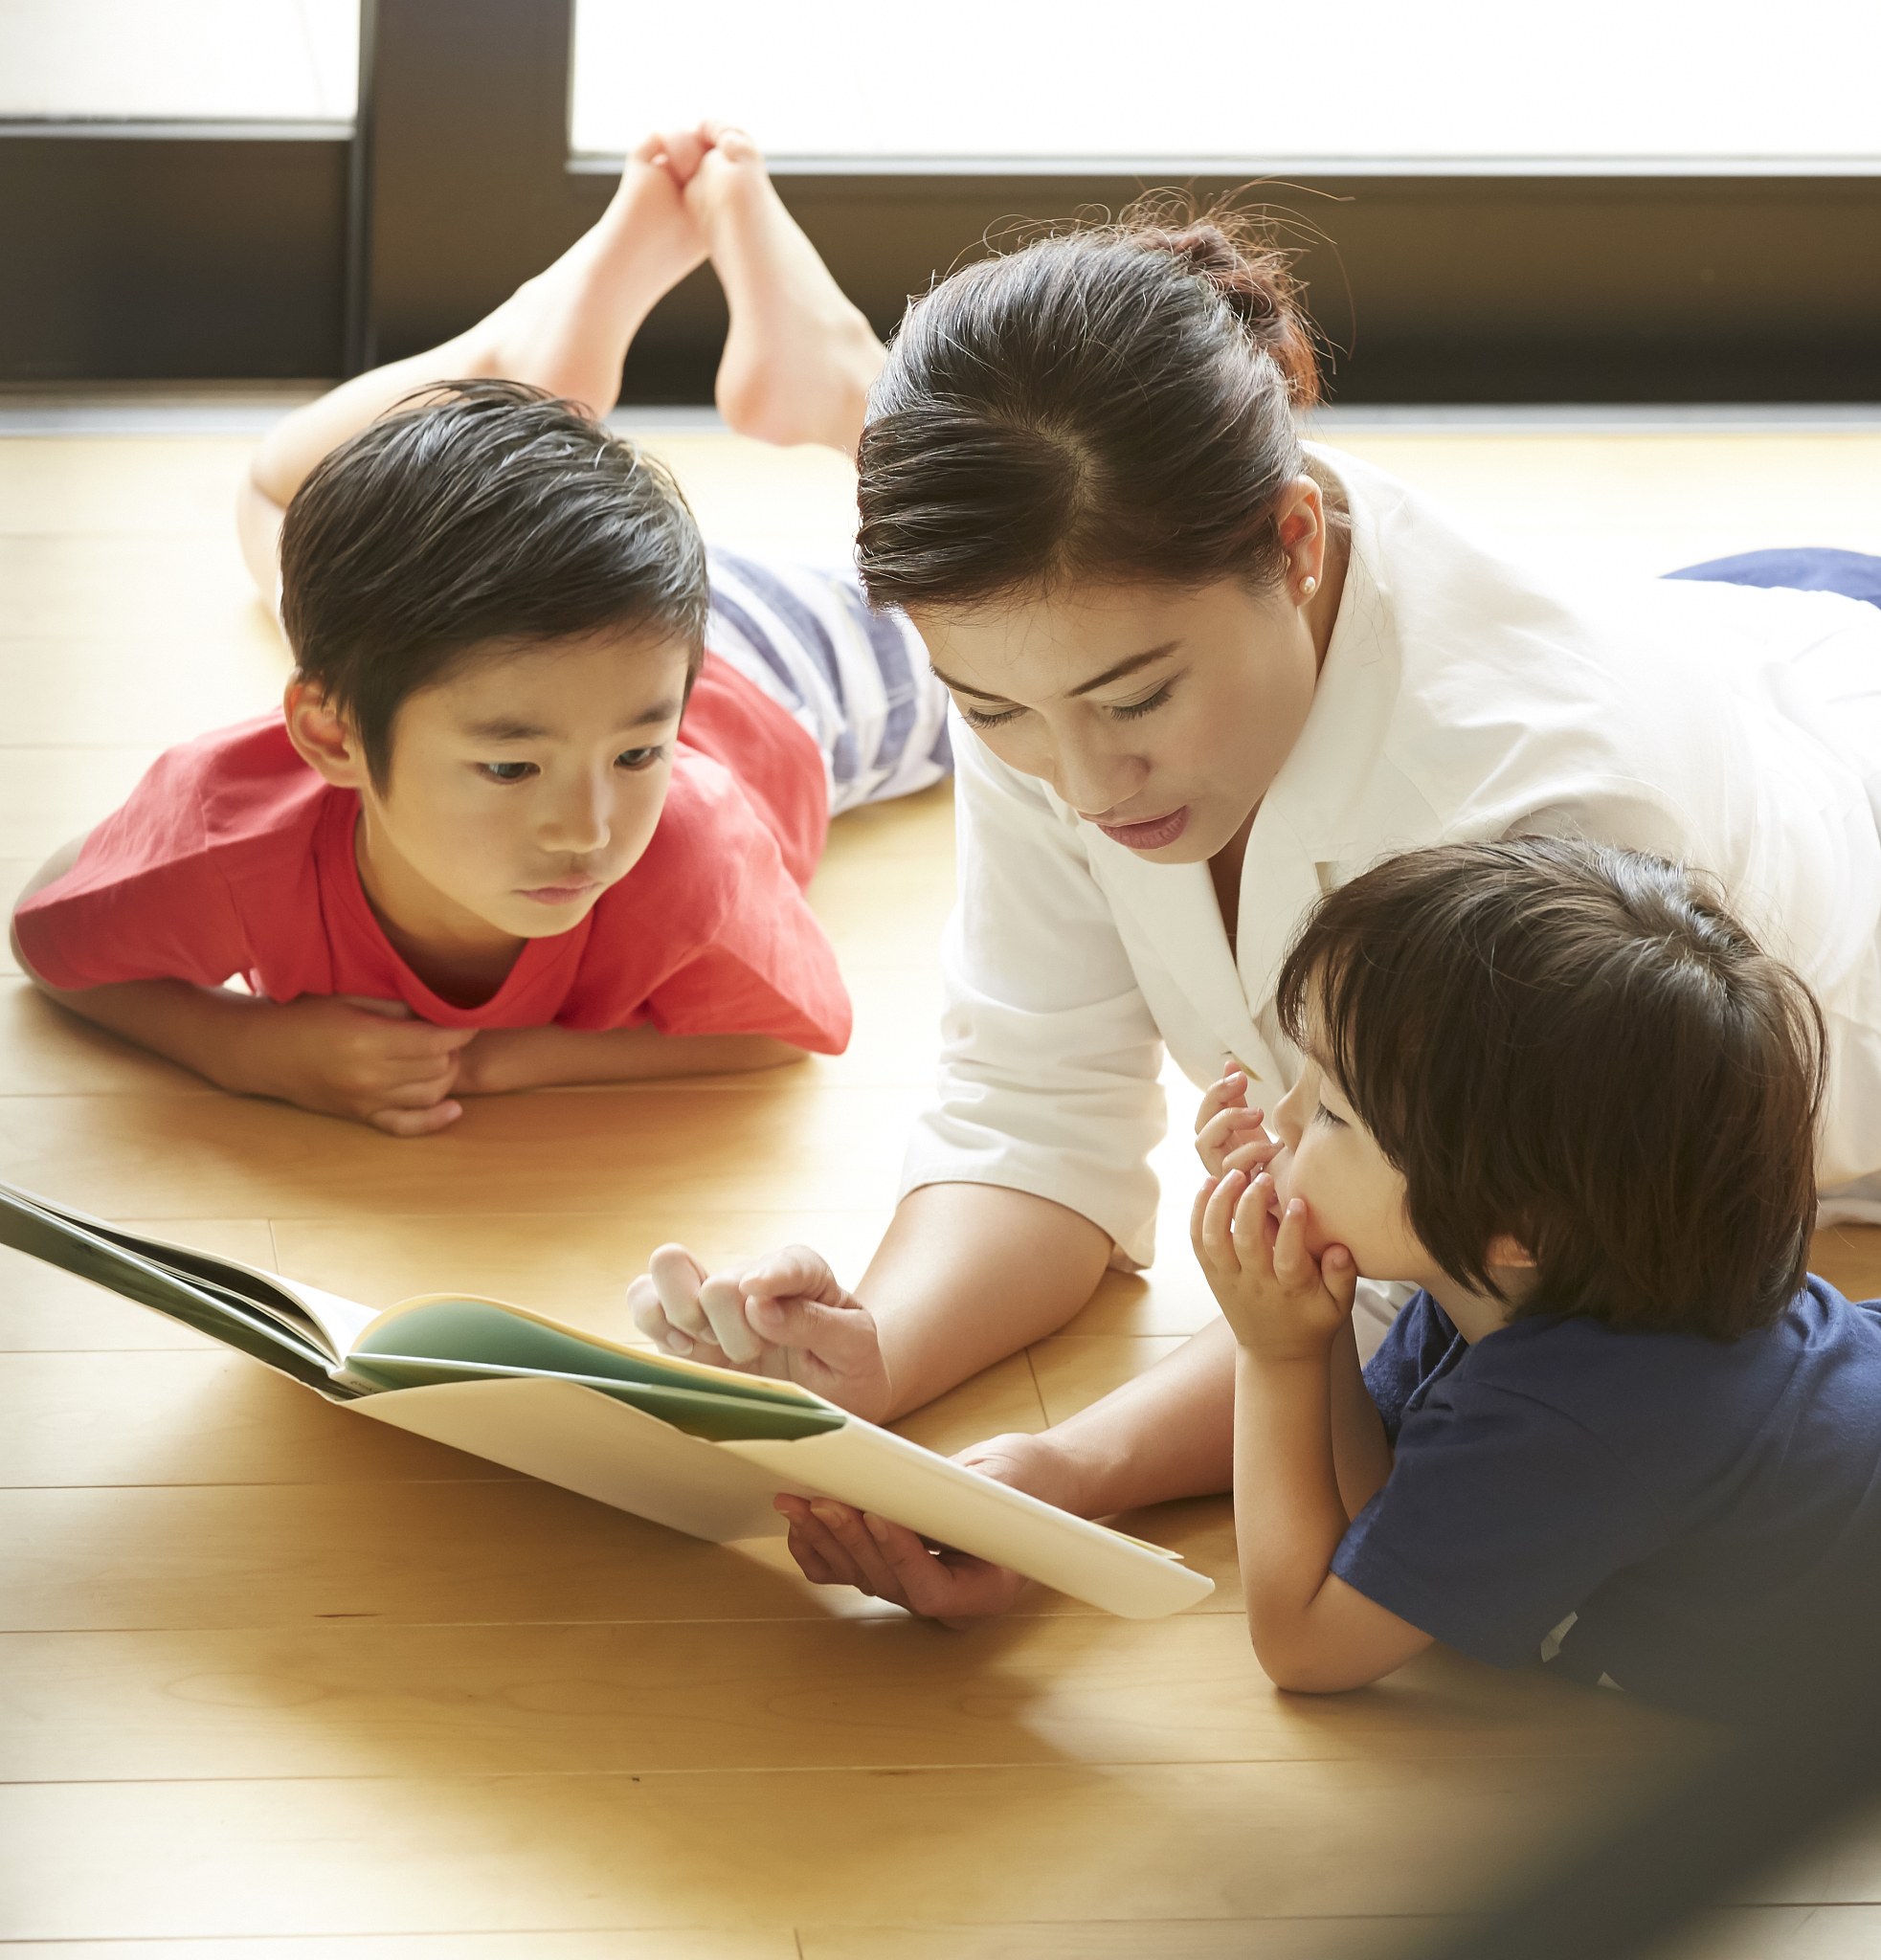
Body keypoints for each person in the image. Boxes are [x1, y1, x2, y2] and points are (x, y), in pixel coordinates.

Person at [626, 201, 1881, 1564]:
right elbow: (1033, 1105)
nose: (1087, 783)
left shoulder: (1552, 820)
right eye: (991, 713)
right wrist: (871, 1356)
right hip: (1739, 643)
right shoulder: (1055, 669)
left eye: (1138, 699)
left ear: (1295, 544)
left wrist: (1067, 1470)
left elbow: (1418, 1307)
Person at [777, 843, 1881, 1722]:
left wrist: (1280, 1348)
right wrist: (1308, 1279)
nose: (1285, 1117)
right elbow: (1384, 1505)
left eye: (1336, 1112)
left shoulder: (1577, 1416)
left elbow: (1305, 1641)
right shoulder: (1520, 1283)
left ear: (1513, 1225)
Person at [8, 127, 949, 1136]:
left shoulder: (687, 853)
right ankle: (512, 379)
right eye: (510, 770)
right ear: (326, 736)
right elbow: (50, 928)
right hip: (565, 637)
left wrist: (515, 1062)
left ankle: (854, 388)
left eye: (637, 758)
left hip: (763, 675)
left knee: (981, 623)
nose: (586, 829)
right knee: (274, 505)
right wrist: (244, 1050)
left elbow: (786, 1026)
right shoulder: (237, 831)